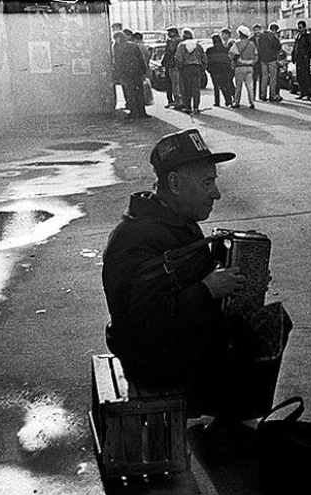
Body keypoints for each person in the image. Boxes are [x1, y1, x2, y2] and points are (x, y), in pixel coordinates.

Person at [102, 128, 290, 454]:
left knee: (269, 320)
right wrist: (208, 289)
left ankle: (230, 418)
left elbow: (186, 280)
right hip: (153, 361)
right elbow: (149, 324)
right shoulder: (139, 238)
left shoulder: (172, 221)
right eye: (207, 183)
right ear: (174, 184)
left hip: (169, 345)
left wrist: (240, 281)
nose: (216, 194)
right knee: (256, 333)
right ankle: (230, 426)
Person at [112, 31, 148, 119]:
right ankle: (142, 112)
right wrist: (143, 71)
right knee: (139, 93)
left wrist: (117, 74)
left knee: (130, 93)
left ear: (119, 38)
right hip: (137, 72)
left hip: (126, 73)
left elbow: (118, 62)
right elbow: (141, 59)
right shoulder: (133, 45)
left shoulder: (117, 47)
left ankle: (133, 112)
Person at [174, 28, 208, 114]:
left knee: (186, 89)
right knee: (196, 89)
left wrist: (181, 68)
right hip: (196, 68)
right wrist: (202, 68)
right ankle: (196, 108)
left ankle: (188, 107)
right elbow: (204, 58)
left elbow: (178, 58)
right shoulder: (198, 45)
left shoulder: (181, 45)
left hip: (186, 68)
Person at [230, 26, 258, 109]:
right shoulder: (252, 44)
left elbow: (231, 54)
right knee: (250, 86)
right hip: (250, 67)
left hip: (240, 67)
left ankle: (236, 102)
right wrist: (252, 62)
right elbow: (256, 55)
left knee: (238, 87)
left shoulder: (237, 44)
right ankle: (251, 102)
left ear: (241, 35)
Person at [207, 33, 234, 107]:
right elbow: (228, 60)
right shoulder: (225, 49)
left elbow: (208, 61)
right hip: (224, 70)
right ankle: (228, 101)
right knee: (225, 86)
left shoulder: (210, 50)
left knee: (216, 87)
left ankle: (217, 102)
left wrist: (209, 69)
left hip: (214, 70)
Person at [258, 23, 283, 102]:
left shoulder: (262, 36)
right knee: (272, 79)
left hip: (263, 59)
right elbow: (278, 47)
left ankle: (263, 95)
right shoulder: (273, 37)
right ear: (275, 30)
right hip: (272, 59)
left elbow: (259, 47)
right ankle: (272, 95)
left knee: (264, 78)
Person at [294, 20, 311, 99]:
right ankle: (302, 92)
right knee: (300, 76)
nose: (299, 29)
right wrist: (294, 56)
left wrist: (306, 56)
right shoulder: (298, 36)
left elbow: (310, 47)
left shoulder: (307, 36)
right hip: (298, 59)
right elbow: (295, 47)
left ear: (304, 28)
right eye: (298, 28)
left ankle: (307, 94)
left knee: (305, 76)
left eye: (301, 28)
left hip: (304, 59)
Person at [162, 27, 182, 108]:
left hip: (172, 65)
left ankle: (174, 101)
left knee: (173, 84)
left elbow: (169, 52)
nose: (168, 34)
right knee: (176, 84)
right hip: (175, 64)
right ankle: (178, 101)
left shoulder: (173, 41)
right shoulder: (179, 40)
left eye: (169, 32)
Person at [251, 24, 264, 100]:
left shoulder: (264, 38)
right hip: (254, 61)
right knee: (254, 79)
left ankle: (261, 95)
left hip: (262, 60)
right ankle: (253, 95)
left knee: (262, 78)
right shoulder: (251, 39)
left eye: (258, 29)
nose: (257, 31)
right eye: (256, 30)